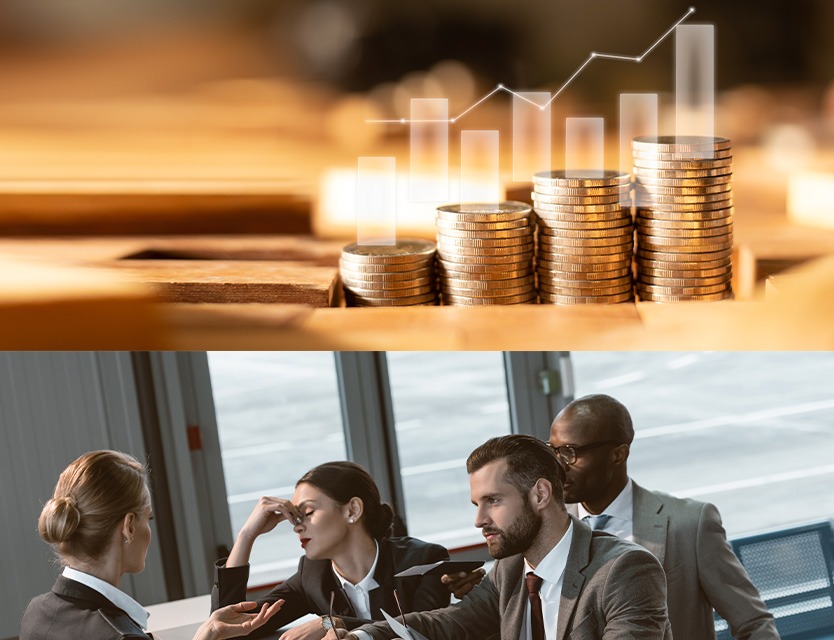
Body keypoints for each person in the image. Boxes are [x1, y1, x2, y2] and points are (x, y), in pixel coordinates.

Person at [330, 434, 671, 640]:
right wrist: (364, 634)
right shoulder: (511, 569)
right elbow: (449, 623)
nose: (479, 520)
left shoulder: (625, 570)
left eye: (493, 501)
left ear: (540, 495)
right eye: (477, 504)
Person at [549, 394, 779, 640]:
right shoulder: (549, 527)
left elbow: (753, 623)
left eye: (570, 452)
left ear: (618, 454)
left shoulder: (690, 525)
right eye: (553, 451)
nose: (558, 465)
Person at [20, 450, 282, 640]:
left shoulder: (36, 612)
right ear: (129, 526)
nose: (149, 531)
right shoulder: (118, 635)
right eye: (149, 519)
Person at [212, 461, 450, 640]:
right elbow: (229, 629)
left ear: (352, 510)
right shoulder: (313, 576)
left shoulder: (425, 561)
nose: (297, 527)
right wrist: (246, 535)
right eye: (294, 517)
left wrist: (334, 623)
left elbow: (421, 632)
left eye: (307, 512)